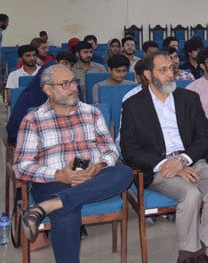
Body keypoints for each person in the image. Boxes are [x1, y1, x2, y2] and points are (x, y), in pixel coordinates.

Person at [13, 64, 133, 263]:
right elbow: (21, 166)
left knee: (124, 173)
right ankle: (57, 203)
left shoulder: (92, 113)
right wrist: (59, 174)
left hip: (94, 177)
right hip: (52, 180)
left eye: (73, 82)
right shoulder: (33, 120)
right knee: (67, 216)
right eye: (64, 84)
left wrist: (99, 167)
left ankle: (47, 206)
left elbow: (111, 150)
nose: (73, 88)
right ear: (48, 89)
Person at [120, 52, 208, 263]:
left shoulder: (188, 98)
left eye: (172, 69)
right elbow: (129, 149)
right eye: (163, 70)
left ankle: (199, 248)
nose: (171, 74)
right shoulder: (133, 105)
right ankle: (188, 255)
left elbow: (203, 138)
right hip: (158, 166)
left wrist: (182, 160)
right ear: (148, 74)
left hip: (191, 159)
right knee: (190, 194)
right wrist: (166, 164)